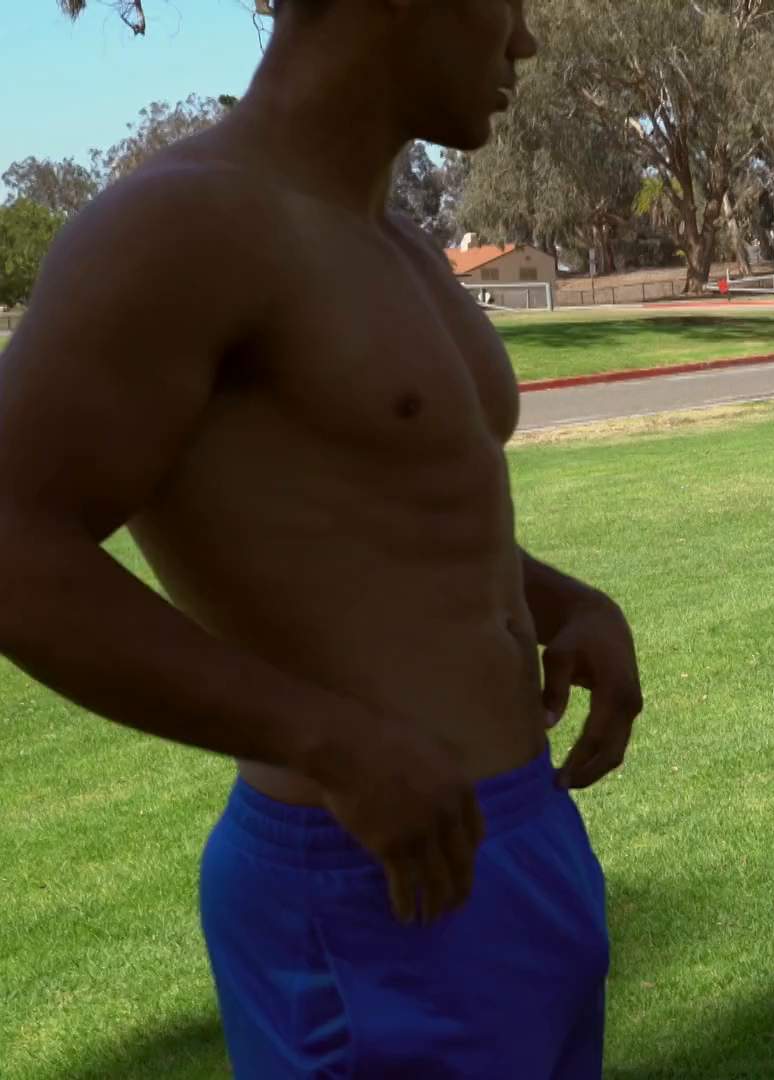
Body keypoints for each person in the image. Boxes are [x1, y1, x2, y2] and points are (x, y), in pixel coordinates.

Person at [0, 1, 641, 1076]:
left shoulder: (399, 247)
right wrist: (325, 741)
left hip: (516, 840)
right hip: (369, 883)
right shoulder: (183, 226)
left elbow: (392, 517)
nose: (524, 40)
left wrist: (568, 604)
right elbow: (14, 544)